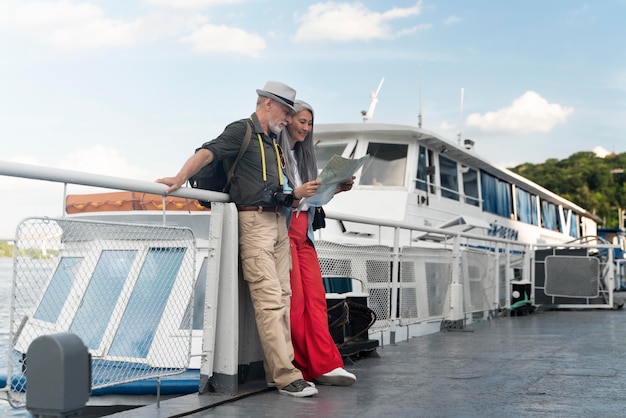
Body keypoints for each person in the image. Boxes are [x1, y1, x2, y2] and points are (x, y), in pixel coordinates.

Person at [157, 81, 318, 398]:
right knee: (270, 302)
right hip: (254, 221)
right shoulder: (240, 130)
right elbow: (207, 153)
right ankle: (287, 378)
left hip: (275, 221)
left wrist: (296, 195)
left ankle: (277, 373)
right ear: (267, 104)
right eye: (286, 112)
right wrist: (179, 177)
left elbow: (276, 188)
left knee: (283, 298)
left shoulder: (272, 142)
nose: (288, 119)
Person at [277, 100, 357, 386]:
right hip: (284, 233)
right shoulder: (277, 154)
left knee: (315, 300)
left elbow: (312, 200)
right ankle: (300, 367)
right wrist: (299, 192)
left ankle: (326, 364)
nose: (306, 128)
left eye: (310, 124)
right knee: (295, 304)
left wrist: (334, 187)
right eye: (302, 122)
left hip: (305, 234)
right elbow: (279, 193)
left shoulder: (304, 157)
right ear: (287, 121)